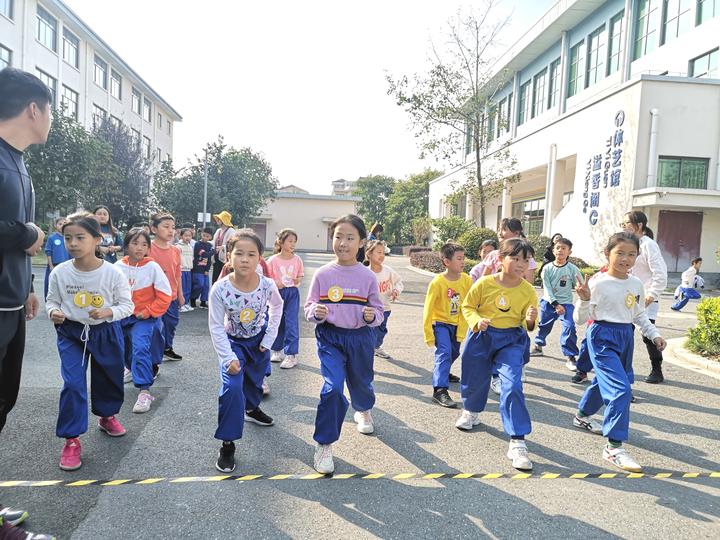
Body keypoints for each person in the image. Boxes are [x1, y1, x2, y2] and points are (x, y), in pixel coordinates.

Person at [0, 67, 56, 540]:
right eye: (51, 110)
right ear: (33, 109)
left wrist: (30, 285)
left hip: (13, 303)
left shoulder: (19, 164)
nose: (52, 120)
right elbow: (17, 233)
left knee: (3, 404)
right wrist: (29, 235)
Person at [46, 213, 134, 471]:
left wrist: (109, 312)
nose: (73, 243)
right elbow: (51, 301)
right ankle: (71, 440)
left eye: (80, 237)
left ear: (97, 239)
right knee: (73, 383)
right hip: (71, 333)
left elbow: (127, 305)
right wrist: (53, 312)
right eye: (68, 238)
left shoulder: (112, 273)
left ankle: (107, 416)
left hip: (105, 330)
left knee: (109, 377)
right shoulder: (60, 273)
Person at [573, 232, 666, 472]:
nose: (626, 258)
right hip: (602, 336)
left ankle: (582, 415)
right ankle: (613, 447)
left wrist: (654, 334)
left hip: (626, 336)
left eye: (632, 254)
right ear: (608, 254)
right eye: (620, 253)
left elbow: (638, 314)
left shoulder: (635, 283)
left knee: (607, 382)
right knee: (621, 390)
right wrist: (583, 300)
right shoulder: (597, 282)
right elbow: (580, 319)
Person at [304, 215, 384, 474]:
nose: (343, 243)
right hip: (330, 338)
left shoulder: (368, 276)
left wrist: (372, 316)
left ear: (361, 242)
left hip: (361, 339)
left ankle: (363, 409)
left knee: (361, 383)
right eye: (339, 236)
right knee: (333, 388)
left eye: (350, 238)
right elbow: (309, 308)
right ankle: (324, 443)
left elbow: (378, 311)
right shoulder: (323, 273)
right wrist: (316, 313)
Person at [456, 238, 539, 470]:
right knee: (474, 378)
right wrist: (476, 320)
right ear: (501, 259)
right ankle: (472, 411)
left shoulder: (528, 290)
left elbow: (529, 322)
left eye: (526, 260)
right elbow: (468, 306)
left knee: (512, 385)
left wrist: (530, 320)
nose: (521, 264)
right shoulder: (484, 283)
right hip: (482, 336)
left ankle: (517, 440)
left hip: (511, 340)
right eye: (515, 258)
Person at [209, 230, 282, 473]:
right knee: (232, 388)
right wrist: (228, 357)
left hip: (259, 341)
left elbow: (277, 307)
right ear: (228, 257)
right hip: (233, 344)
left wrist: (270, 337)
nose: (245, 259)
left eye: (251, 254)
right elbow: (216, 327)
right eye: (238, 253)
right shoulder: (219, 289)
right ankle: (227, 444)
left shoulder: (267, 285)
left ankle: (251, 409)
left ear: (260, 258)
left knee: (254, 383)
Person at [116, 228, 172, 413]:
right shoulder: (117, 267)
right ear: (126, 245)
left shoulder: (152, 267)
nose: (139, 248)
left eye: (144, 244)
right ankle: (131, 368)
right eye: (135, 243)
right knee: (124, 349)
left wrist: (148, 312)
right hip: (122, 317)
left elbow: (165, 295)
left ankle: (144, 391)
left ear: (148, 247)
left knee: (141, 347)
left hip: (143, 318)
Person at [482, 218, 538, 394]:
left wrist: (516, 288)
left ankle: (516, 367)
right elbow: (484, 277)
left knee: (519, 344)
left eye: (503, 229)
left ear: (515, 232)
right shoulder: (495, 255)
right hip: (492, 314)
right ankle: (495, 377)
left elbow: (529, 280)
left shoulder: (527, 256)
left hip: (515, 313)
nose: (500, 233)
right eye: (500, 229)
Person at [422, 241, 472, 409]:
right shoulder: (437, 282)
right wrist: (428, 332)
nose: (463, 261)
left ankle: (443, 371)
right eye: (459, 258)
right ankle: (440, 390)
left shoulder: (466, 280)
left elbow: (472, 301)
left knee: (454, 352)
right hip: (441, 324)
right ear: (447, 262)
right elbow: (428, 309)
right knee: (444, 352)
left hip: (458, 324)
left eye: (463, 258)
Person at [622, 211, 668, 384]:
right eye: (623, 223)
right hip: (627, 296)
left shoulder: (648, 245)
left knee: (648, 335)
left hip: (646, 297)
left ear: (639, 225)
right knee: (625, 333)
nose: (624, 226)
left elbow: (660, 273)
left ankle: (657, 369)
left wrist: (651, 295)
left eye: (627, 223)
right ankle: (624, 372)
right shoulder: (629, 243)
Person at [531, 237, 583, 370]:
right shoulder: (547, 268)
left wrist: (582, 290)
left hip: (566, 304)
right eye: (558, 248)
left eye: (564, 248)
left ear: (569, 252)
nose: (560, 250)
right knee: (544, 325)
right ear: (553, 250)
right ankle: (538, 345)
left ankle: (571, 356)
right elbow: (547, 289)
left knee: (570, 327)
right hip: (549, 303)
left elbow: (580, 285)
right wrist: (555, 304)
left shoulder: (573, 269)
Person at [268, 228, 304, 369]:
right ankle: (277, 351)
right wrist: (275, 283)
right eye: (290, 241)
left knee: (291, 322)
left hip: (292, 293)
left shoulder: (297, 259)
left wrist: (297, 280)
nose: (293, 244)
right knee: (277, 321)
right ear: (281, 242)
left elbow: (300, 275)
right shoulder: (272, 260)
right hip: (277, 293)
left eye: (294, 241)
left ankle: (291, 355)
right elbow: (267, 277)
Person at [150, 213, 184, 361]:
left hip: (171, 296)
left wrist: (181, 295)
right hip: (152, 297)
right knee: (156, 328)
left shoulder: (176, 250)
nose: (171, 231)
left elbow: (177, 274)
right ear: (154, 229)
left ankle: (167, 348)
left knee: (171, 324)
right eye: (166, 227)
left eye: (173, 227)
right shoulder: (147, 248)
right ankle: (154, 361)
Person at [365, 239, 403, 359]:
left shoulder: (388, 271)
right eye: (378, 252)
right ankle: (366, 351)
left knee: (381, 331)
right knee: (369, 331)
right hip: (370, 310)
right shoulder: (365, 273)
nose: (382, 255)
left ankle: (376, 347)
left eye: (383, 252)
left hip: (385, 308)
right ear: (369, 254)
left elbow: (398, 282)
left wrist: (396, 290)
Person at [44, 217, 70, 299]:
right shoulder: (52, 238)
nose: (62, 226)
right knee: (50, 284)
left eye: (64, 224)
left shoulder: (69, 237)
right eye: (60, 224)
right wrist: (51, 265)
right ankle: (49, 302)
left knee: (65, 285)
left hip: (66, 266)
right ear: (56, 225)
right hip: (54, 265)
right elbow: (48, 252)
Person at [190, 227, 215, 309]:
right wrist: (214, 251)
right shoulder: (198, 244)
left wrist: (207, 270)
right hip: (197, 268)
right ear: (201, 234)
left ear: (210, 237)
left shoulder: (209, 245)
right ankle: (193, 298)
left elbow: (208, 259)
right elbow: (204, 255)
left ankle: (203, 302)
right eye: (204, 235)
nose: (205, 237)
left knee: (206, 286)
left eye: (207, 236)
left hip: (205, 269)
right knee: (199, 284)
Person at [211, 211, 236, 284]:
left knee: (224, 277)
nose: (217, 220)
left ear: (223, 220)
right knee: (215, 278)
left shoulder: (231, 231)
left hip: (225, 259)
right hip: (217, 257)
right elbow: (213, 242)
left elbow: (232, 244)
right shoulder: (218, 231)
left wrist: (222, 247)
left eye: (219, 219)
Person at [177, 228, 195, 313]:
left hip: (188, 270)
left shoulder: (190, 246)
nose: (188, 237)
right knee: (182, 288)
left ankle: (186, 303)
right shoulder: (178, 246)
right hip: (181, 270)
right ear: (181, 236)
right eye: (186, 235)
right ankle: (181, 305)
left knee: (188, 288)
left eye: (190, 236)